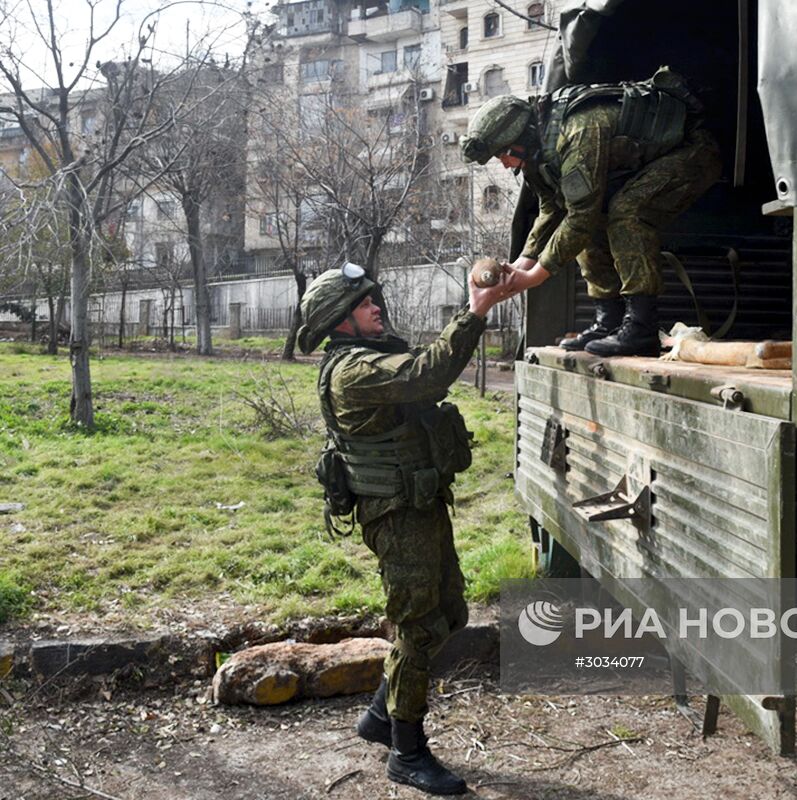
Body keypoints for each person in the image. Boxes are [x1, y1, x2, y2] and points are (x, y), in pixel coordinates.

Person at [297, 262, 516, 796]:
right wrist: (475, 311)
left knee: (449, 613)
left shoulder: (370, 357)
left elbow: (420, 372)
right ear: (340, 320)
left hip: (418, 504)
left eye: (374, 299)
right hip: (395, 514)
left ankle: (379, 716)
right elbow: (427, 375)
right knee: (417, 627)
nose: (377, 307)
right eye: (365, 302)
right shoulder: (353, 371)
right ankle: (407, 752)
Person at [460, 67, 722, 357]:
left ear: (521, 137)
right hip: (650, 163)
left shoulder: (579, 129)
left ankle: (641, 327)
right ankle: (609, 320)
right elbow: (551, 208)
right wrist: (523, 262)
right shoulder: (537, 151)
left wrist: (535, 277)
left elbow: (579, 216)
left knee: (626, 212)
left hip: (692, 153)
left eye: (503, 154)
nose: (505, 164)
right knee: (593, 221)